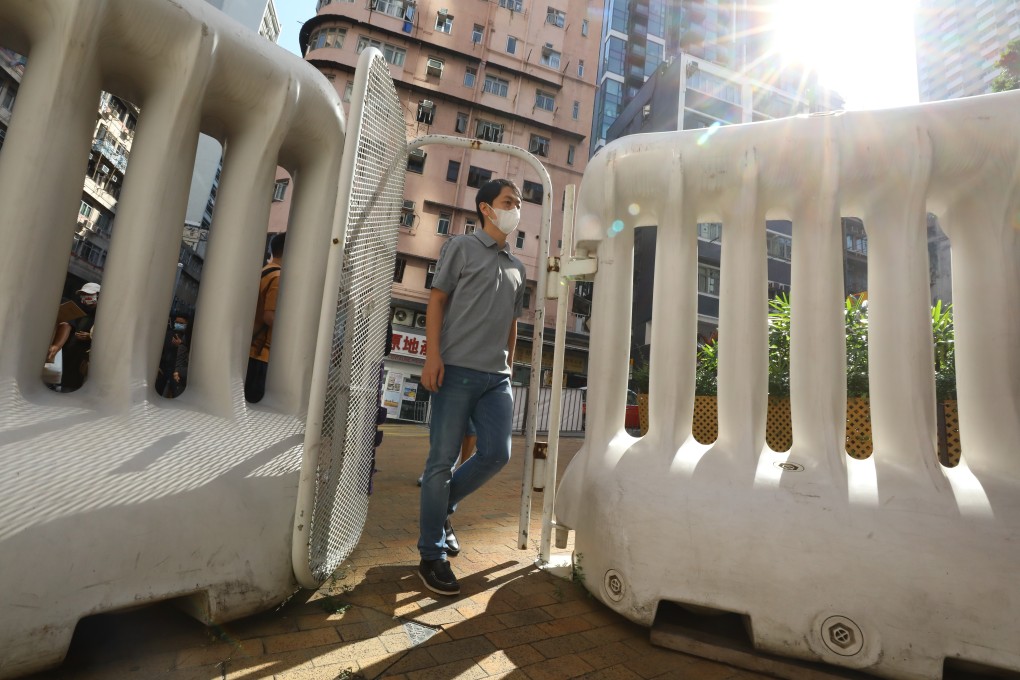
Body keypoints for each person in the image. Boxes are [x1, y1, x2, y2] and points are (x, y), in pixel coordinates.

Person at [417, 179, 526, 596]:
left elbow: (512, 322)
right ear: (486, 208)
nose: (515, 209)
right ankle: (431, 554)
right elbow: (436, 300)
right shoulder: (460, 248)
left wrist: (509, 367)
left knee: (497, 453)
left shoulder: (518, 267)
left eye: (518, 203)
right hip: (455, 369)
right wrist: (432, 355)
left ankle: (441, 508)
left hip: (496, 378)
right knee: (440, 462)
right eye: (508, 201)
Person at [245, 233, 284, 403]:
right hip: (262, 354)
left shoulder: (264, 271)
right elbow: (270, 316)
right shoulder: (279, 277)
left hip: (250, 349)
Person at [48, 282, 100, 392]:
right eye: (83, 294)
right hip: (68, 350)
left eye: (89, 295)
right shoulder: (76, 309)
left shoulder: (101, 314)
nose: (85, 297)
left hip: (83, 356)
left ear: (98, 295)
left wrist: (90, 337)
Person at [155, 315, 190, 398]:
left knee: (177, 393)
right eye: (176, 322)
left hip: (177, 370)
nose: (178, 324)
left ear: (187, 324)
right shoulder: (168, 334)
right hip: (164, 368)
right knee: (158, 391)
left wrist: (181, 345)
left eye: (181, 323)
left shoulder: (188, 338)